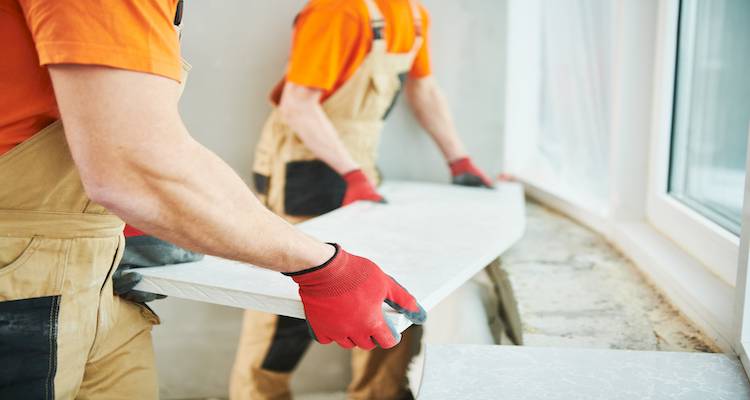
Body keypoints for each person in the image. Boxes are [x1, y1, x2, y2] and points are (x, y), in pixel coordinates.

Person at [0, 1, 424, 399]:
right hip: (21, 278)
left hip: (98, 270)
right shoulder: (340, 13)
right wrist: (324, 268)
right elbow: (132, 164)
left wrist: (121, 218)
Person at [229, 0, 493, 399]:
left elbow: (423, 87)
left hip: (361, 169)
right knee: (289, 298)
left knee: (383, 289)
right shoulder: (338, 12)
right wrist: (350, 174)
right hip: (304, 167)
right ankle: (258, 394)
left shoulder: (415, 17)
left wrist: (459, 160)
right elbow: (298, 103)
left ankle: (377, 394)